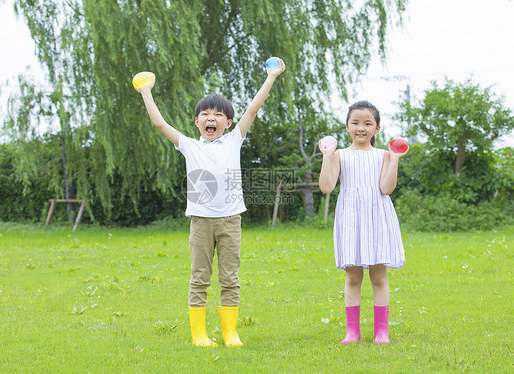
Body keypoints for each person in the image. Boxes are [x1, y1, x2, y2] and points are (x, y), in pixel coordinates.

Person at [138, 59, 285, 347]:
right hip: (201, 222)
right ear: (197, 122)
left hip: (231, 220)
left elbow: (253, 108)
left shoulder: (234, 140)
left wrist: (270, 77)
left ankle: (230, 332)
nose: (211, 118)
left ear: (227, 123)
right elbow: (159, 122)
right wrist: (146, 92)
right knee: (199, 279)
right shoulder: (188, 146)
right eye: (205, 114)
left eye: (218, 114)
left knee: (230, 279)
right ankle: (199, 335)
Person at [319, 100, 406, 344]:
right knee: (353, 276)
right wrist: (327, 156)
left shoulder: (384, 155)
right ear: (347, 127)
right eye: (355, 122)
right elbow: (326, 187)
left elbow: (386, 189)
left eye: (368, 123)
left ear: (377, 129)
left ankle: (381, 331)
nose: (361, 128)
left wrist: (396, 159)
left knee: (379, 276)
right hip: (350, 219)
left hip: (377, 217)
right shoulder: (339, 156)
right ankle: (352, 332)